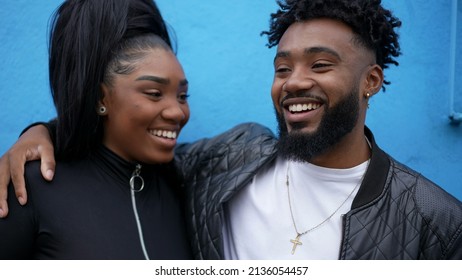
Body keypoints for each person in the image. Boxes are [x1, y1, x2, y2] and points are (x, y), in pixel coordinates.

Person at [2, 0, 462, 260]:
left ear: (371, 81)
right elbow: (117, 142)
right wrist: (43, 131)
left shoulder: (436, 222)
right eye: (283, 67)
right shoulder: (228, 160)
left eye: (320, 65)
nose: (295, 81)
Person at [0, 0, 193, 259]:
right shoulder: (30, 186)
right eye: (155, 93)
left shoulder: (186, 186)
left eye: (182, 96)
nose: (177, 112)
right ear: (101, 99)